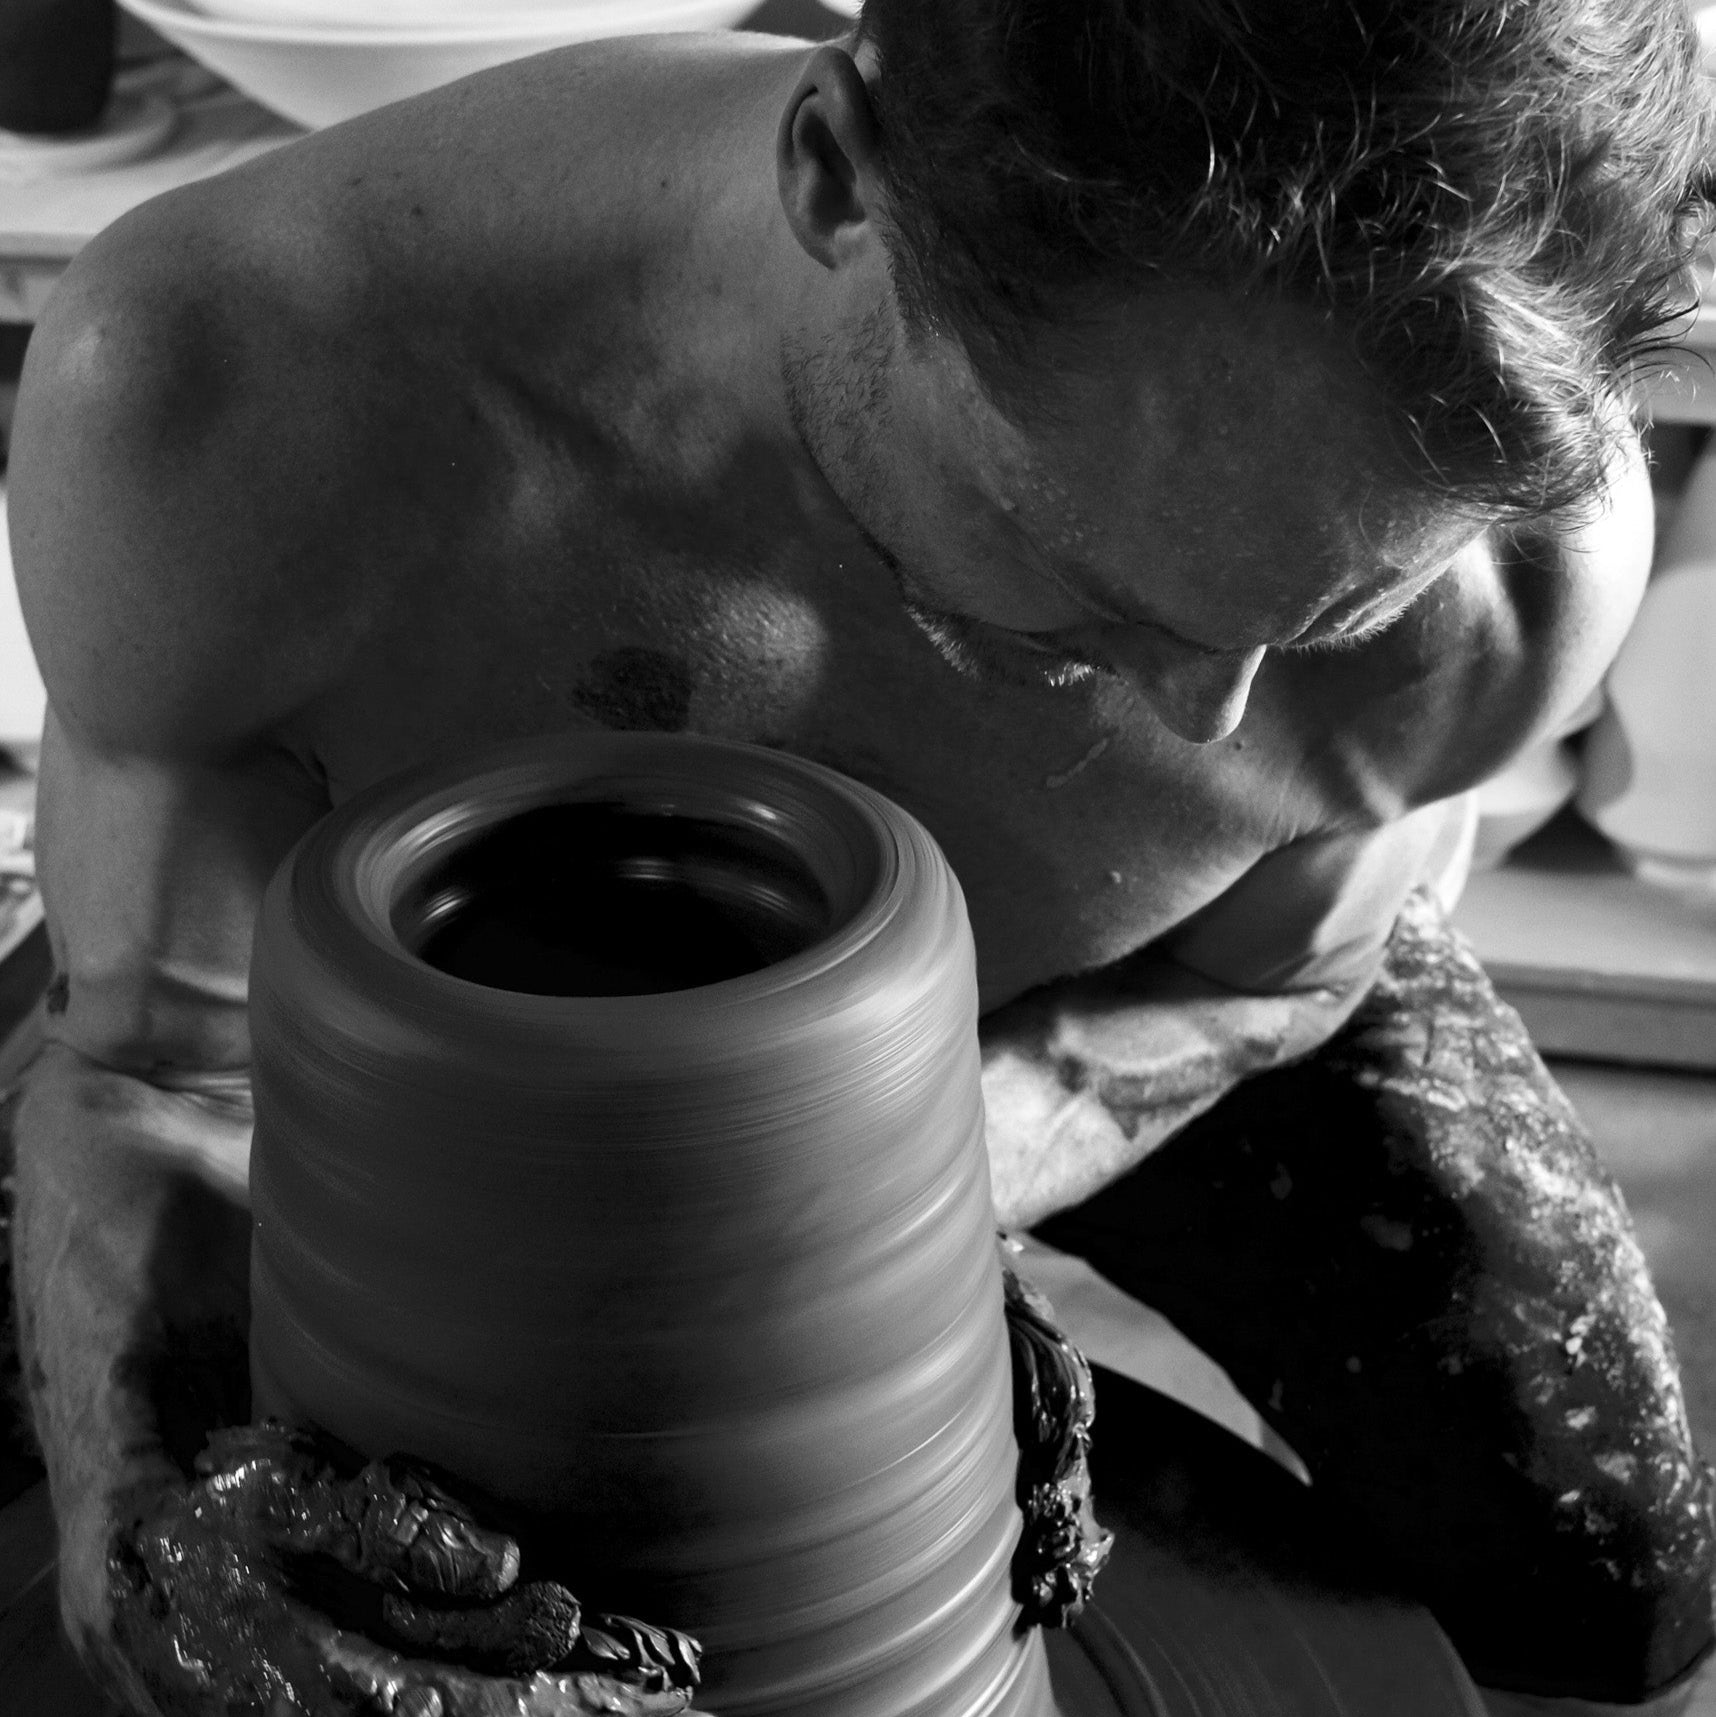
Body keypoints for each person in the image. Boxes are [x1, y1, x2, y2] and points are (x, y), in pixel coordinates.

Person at [8, 0, 1716, 1711]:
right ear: (841, 178)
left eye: (1333, 614)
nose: (1209, 719)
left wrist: (900, 1228)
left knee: (1617, 1580)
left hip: (1078, 982)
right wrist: (129, 1515)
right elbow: (159, 1075)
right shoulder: (236, 382)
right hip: (387, 1057)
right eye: (1097, 586)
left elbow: (1266, 970)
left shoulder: (1519, 584)